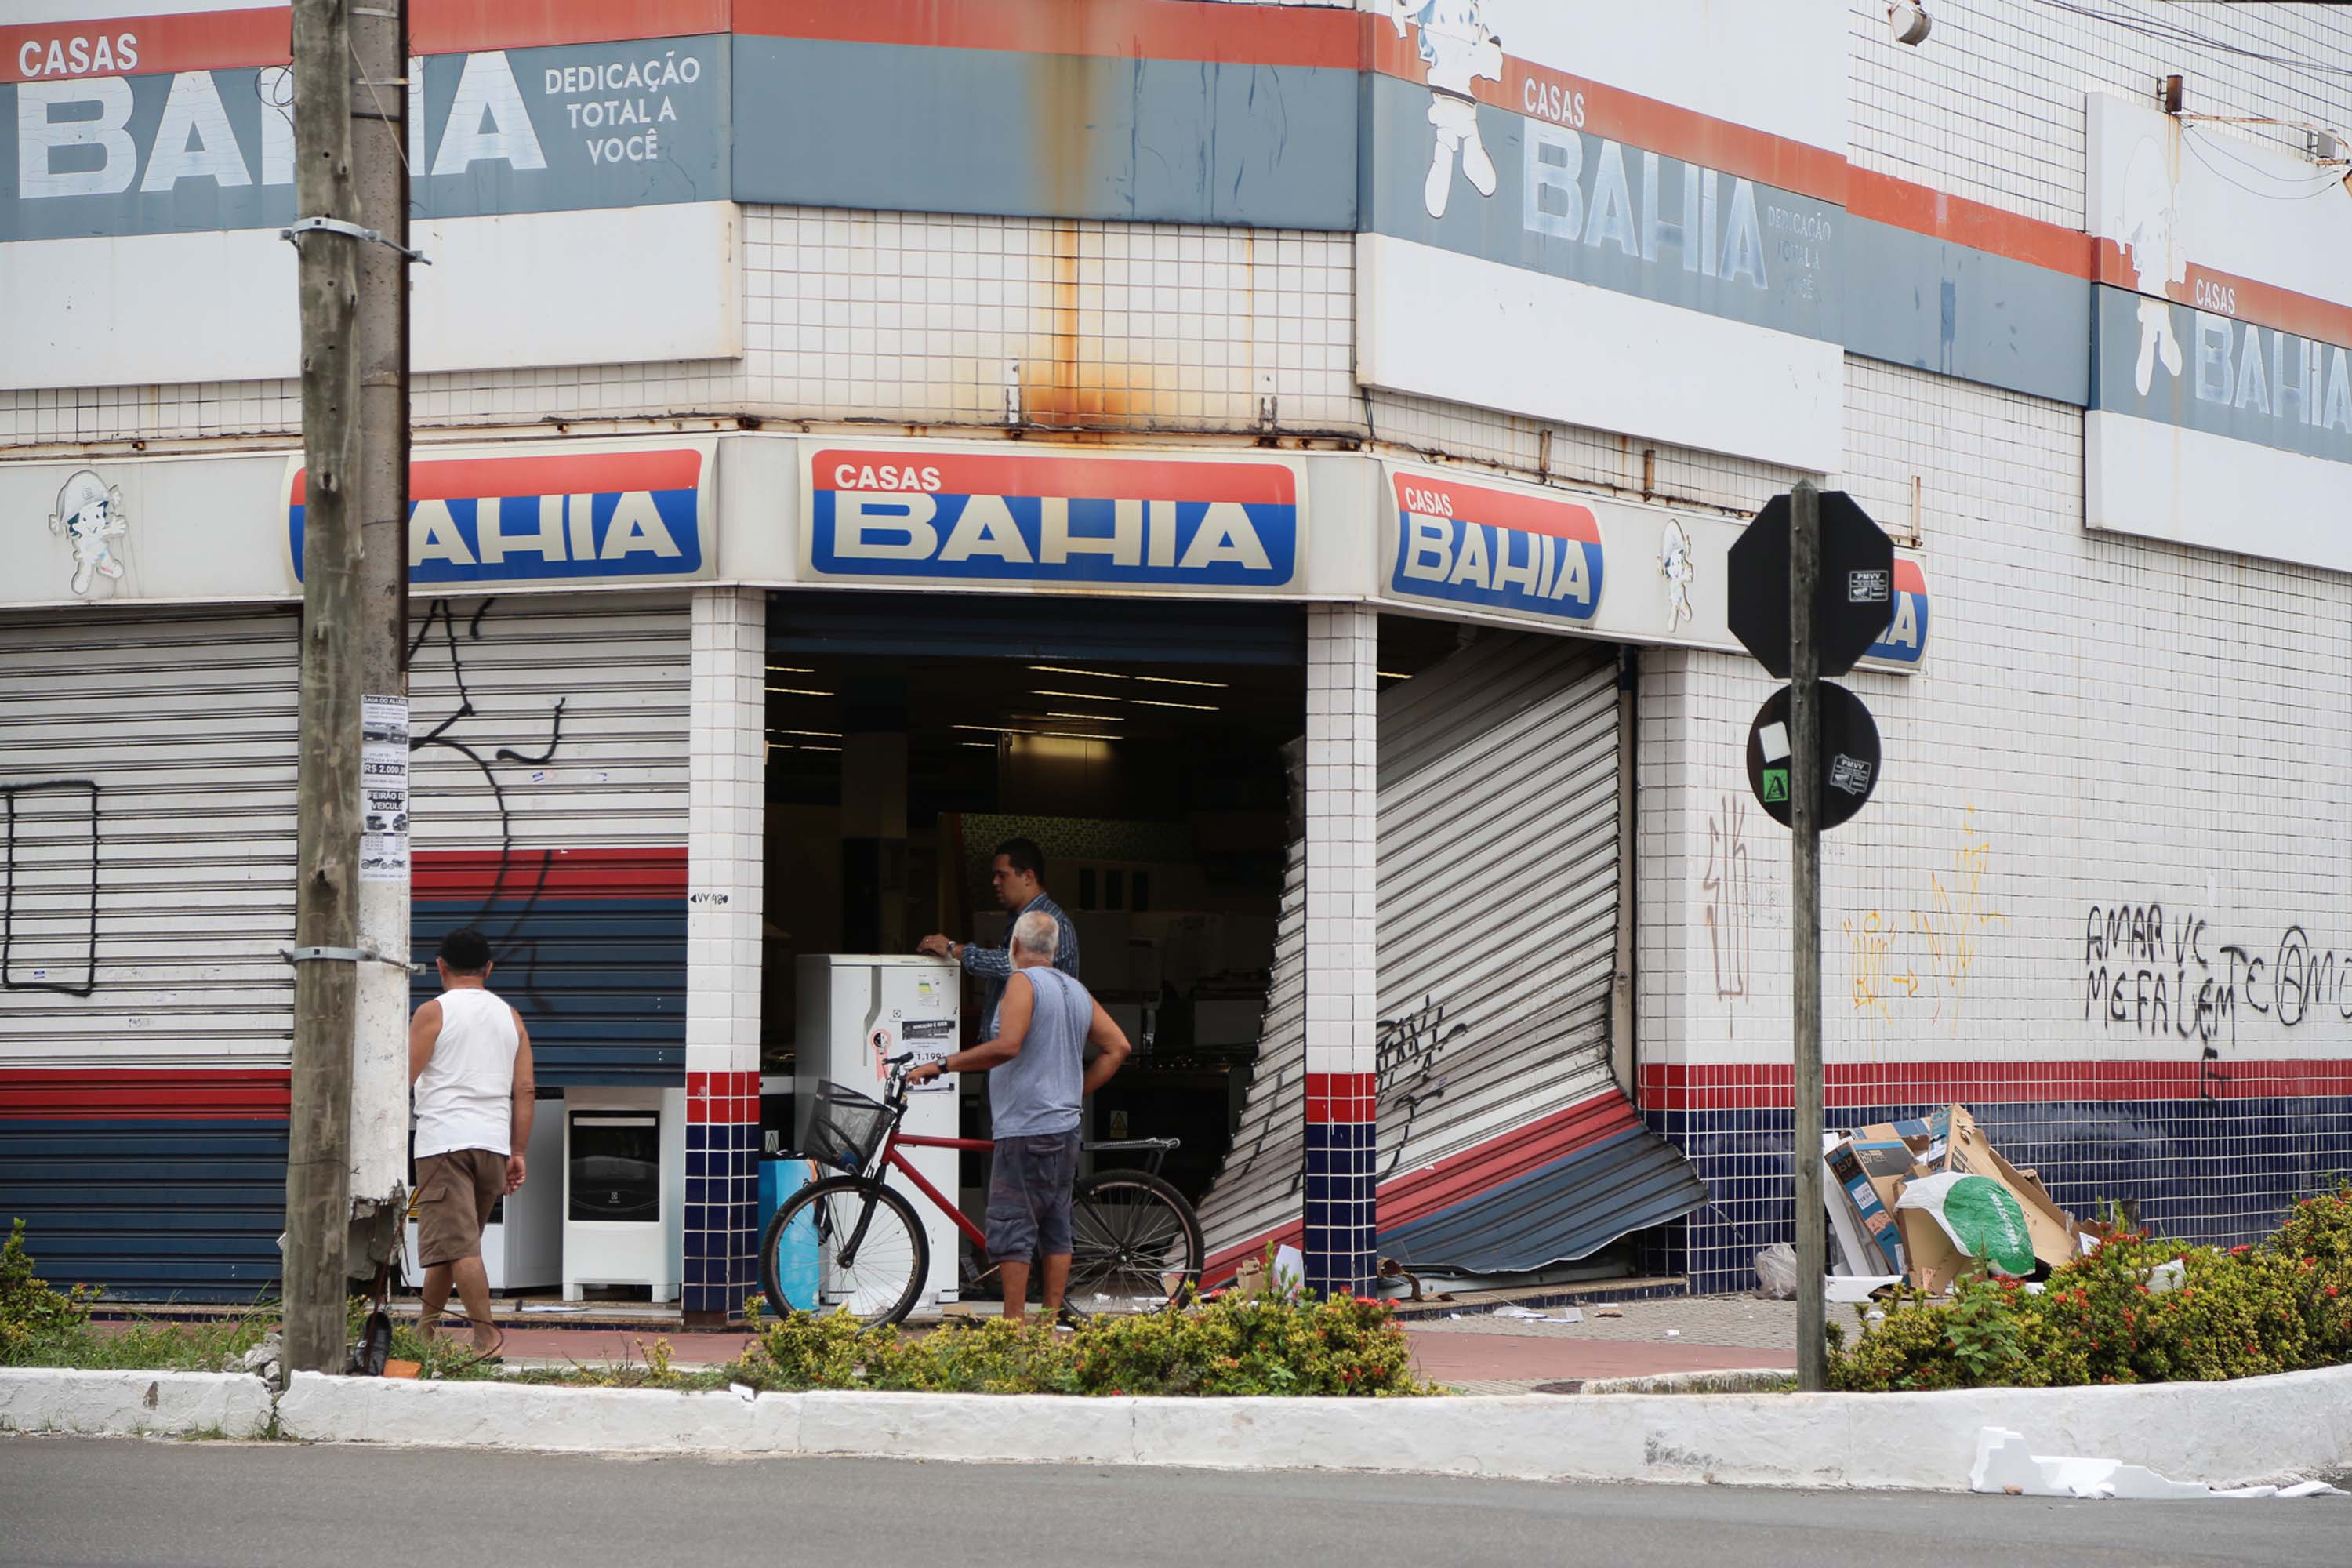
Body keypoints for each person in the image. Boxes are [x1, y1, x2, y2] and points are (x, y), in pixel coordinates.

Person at [909, 909, 1130, 1322]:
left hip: (1025, 1127)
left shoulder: (1021, 982)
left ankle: (1012, 1327)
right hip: (1064, 1130)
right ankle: (1047, 1324)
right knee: (1055, 1227)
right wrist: (1073, 1090)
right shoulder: (1076, 990)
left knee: (1012, 1225)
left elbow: (1006, 1046)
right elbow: (1118, 1047)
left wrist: (940, 1065)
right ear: (1056, 949)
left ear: (1014, 947)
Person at [406, 927, 535, 1356]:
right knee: (454, 1245)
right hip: (493, 1145)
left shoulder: (433, 1012)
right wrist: (518, 1151)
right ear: (489, 969)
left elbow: (402, 1078)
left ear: (440, 967)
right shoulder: (511, 1017)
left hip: (445, 1143)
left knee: (458, 1245)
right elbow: (526, 1090)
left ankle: (486, 1338)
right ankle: (423, 1332)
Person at [918, 837, 1080, 1035]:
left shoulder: (1049, 921)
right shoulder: (1022, 919)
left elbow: (1013, 964)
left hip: (1033, 1056)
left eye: (1002, 875)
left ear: (1028, 877)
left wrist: (953, 948)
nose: (995, 882)